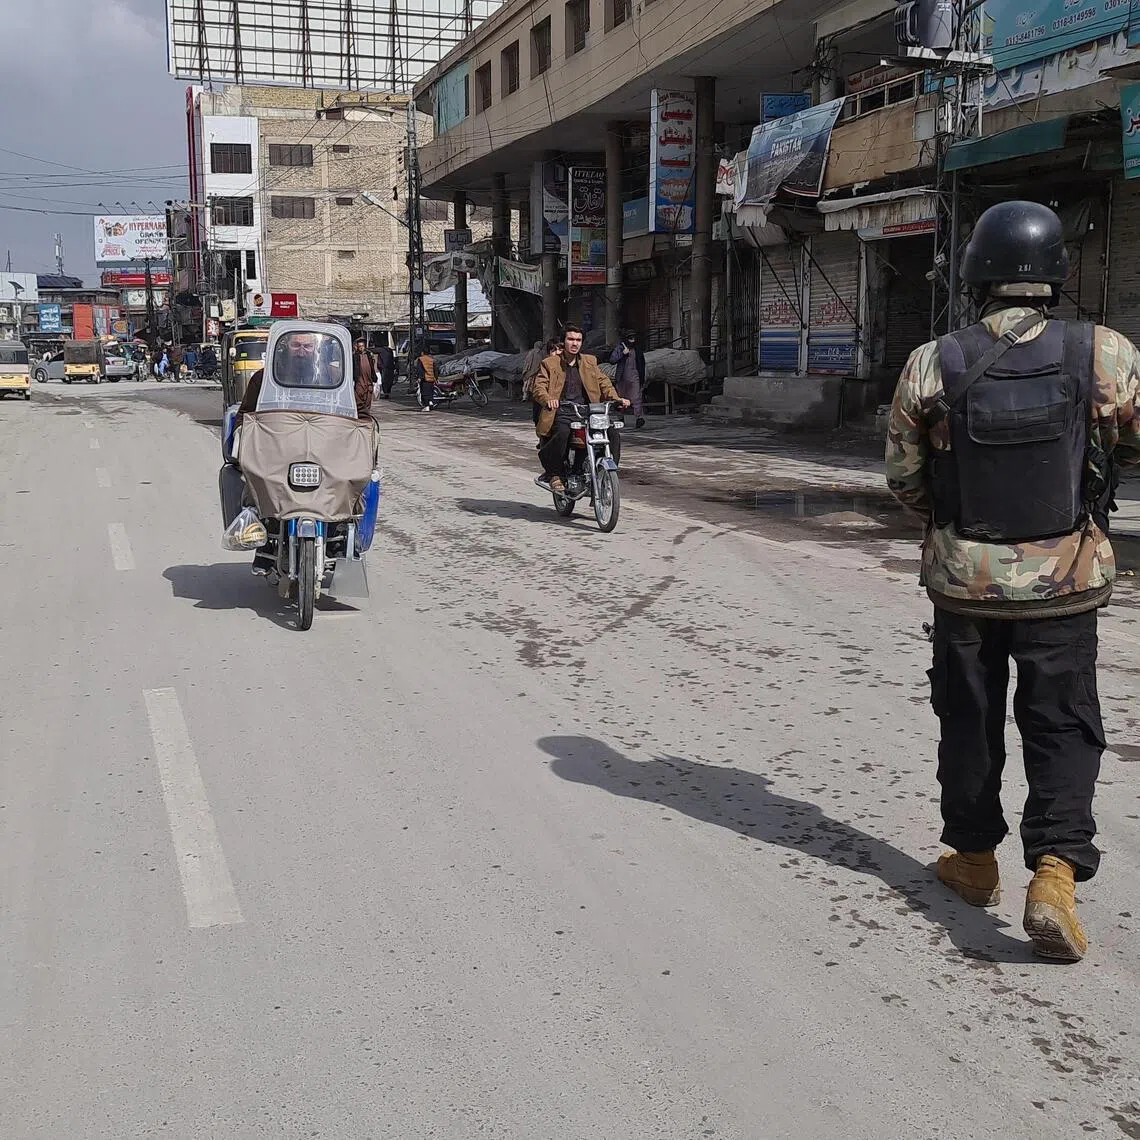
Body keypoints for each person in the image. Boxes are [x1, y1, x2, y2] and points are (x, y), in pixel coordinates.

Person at [885, 200, 1140, 963]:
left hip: (965, 582)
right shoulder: (1105, 353)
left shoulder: (935, 360)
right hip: (1066, 580)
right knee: (1062, 722)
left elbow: (904, 473)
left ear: (976, 276)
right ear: (1054, 273)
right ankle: (1055, 876)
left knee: (968, 717)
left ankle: (971, 861)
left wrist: (950, 527)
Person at [532, 325, 630, 495]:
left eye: (578, 340)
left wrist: (616, 399)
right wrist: (549, 399)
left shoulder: (589, 362)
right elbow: (539, 387)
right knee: (562, 433)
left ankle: (605, 474)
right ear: (563, 342)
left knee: (612, 434)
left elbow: (604, 383)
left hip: (588, 411)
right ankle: (555, 473)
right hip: (563, 411)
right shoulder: (550, 363)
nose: (574, 343)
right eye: (571, 339)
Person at [239, 331, 371, 421]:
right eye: (295, 345)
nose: (301, 352)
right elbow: (245, 414)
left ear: (315, 348)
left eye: (308, 346)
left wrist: (364, 429)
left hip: (325, 444)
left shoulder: (333, 375)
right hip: (278, 446)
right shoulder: (263, 378)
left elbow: (358, 410)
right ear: (286, 346)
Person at [610, 330, 647, 429]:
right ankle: (620, 418)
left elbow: (642, 365)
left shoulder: (637, 350)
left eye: (633, 338)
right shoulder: (620, 348)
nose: (632, 340)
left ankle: (639, 418)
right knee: (621, 398)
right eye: (630, 338)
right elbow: (612, 360)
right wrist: (622, 354)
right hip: (622, 378)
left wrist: (643, 378)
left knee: (636, 398)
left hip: (635, 377)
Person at [353, 337, 377, 407]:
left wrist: (374, 377)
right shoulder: (355, 356)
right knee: (359, 395)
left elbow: (372, 367)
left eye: (362, 346)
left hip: (368, 380)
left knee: (368, 396)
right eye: (359, 346)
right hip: (360, 380)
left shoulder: (369, 355)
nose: (361, 348)